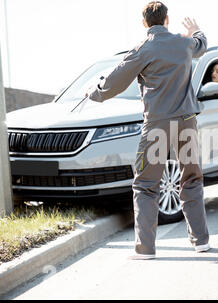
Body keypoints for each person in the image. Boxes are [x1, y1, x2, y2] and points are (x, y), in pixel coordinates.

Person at [86, 1, 210, 260]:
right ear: (167, 19)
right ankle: (201, 242)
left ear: (144, 24)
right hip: (187, 121)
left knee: (145, 185)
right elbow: (201, 44)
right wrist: (195, 29)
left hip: (156, 125)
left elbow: (113, 83)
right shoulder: (183, 43)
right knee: (191, 179)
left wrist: (94, 93)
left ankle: (145, 249)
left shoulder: (143, 49)